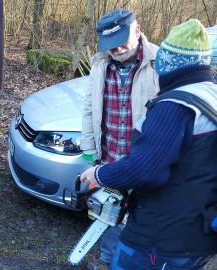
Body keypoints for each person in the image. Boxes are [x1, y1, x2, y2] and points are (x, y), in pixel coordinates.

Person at [81, 19, 217, 269]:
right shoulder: (209, 92)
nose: (117, 49)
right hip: (194, 223)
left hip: (164, 233)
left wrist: (100, 174)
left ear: (165, 63)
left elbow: (145, 169)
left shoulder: (175, 106)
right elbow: (90, 106)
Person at [79, 8, 159, 270]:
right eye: (110, 45)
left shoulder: (159, 61)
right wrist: (89, 150)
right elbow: (90, 107)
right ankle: (106, 260)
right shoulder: (100, 62)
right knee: (110, 212)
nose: (116, 49)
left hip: (144, 160)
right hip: (110, 156)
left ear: (137, 30)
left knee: (143, 218)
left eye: (121, 42)